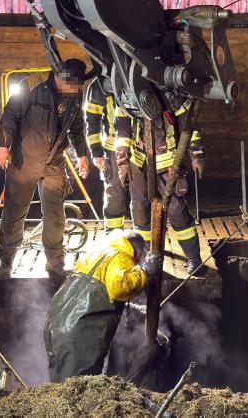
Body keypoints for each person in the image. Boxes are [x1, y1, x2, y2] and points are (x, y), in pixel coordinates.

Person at [0, 59, 91, 280]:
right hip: (23, 159)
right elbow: (9, 116)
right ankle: (6, 262)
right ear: (60, 77)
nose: (76, 91)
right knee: (14, 212)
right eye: (73, 86)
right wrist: (2, 146)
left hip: (54, 161)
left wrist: (83, 154)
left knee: (55, 215)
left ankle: (55, 265)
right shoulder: (31, 85)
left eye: (78, 87)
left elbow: (77, 126)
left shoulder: (75, 93)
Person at [43, 230, 160, 381]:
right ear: (137, 253)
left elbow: (94, 294)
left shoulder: (98, 254)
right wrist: (144, 271)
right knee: (78, 386)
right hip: (79, 333)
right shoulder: (121, 257)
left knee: (60, 380)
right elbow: (119, 287)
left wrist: (135, 310)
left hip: (56, 324)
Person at [115, 95, 205, 276]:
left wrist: (197, 154)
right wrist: (123, 161)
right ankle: (148, 257)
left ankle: (193, 258)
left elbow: (190, 125)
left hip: (169, 163)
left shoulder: (171, 93)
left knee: (176, 210)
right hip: (139, 163)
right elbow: (122, 130)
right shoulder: (127, 95)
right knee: (140, 211)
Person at [84, 78, 127, 232]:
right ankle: (113, 235)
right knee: (114, 192)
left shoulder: (135, 74)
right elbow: (91, 120)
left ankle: (144, 240)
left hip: (138, 147)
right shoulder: (99, 84)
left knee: (140, 196)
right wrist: (96, 152)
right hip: (112, 148)